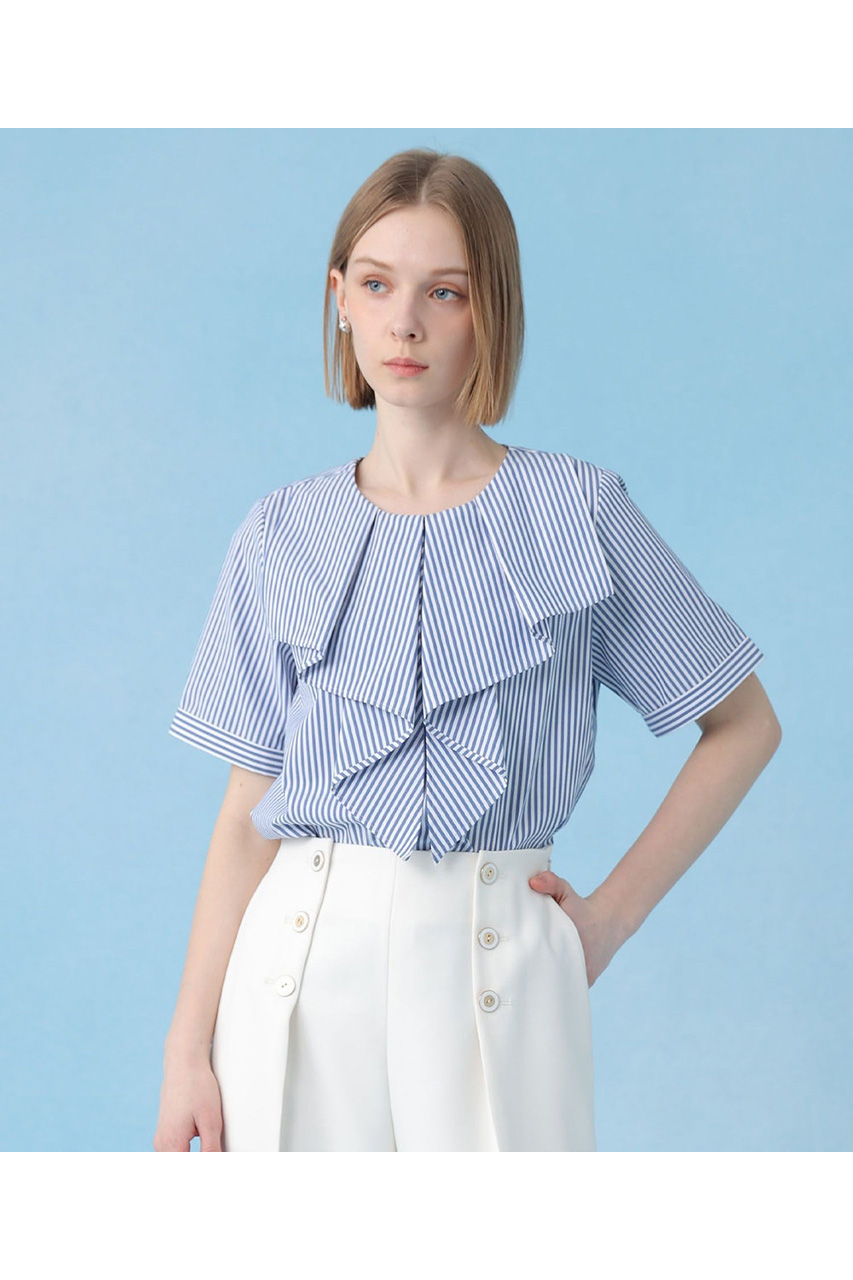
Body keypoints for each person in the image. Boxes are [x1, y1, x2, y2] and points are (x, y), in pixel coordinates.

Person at [153, 147, 781, 1153]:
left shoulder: (578, 510)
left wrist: (609, 919)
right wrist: (187, 1047)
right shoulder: (278, 531)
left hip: (504, 960)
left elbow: (743, 724)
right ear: (339, 299)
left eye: (442, 291)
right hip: (292, 972)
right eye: (376, 285)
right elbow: (245, 807)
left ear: (491, 309)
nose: (403, 323)